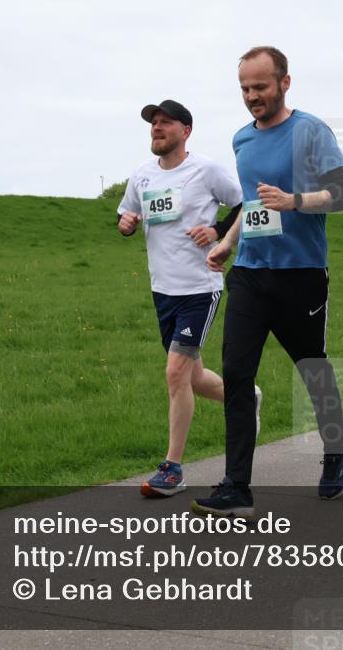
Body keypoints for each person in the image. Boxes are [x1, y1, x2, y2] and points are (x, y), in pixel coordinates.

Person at [190, 46, 343, 518]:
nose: (251, 96)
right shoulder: (242, 139)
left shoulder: (310, 130)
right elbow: (250, 202)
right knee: (238, 373)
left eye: (260, 87)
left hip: (301, 273)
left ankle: (335, 449)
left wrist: (297, 200)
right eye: (245, 88)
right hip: (250, 273)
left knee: (312, 368)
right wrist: (227, 240)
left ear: (285, 83)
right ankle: (236, 484)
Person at [116, 99, 260, 498]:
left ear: (186, 130)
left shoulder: (206, 170)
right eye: (153, 124)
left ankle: (173, 469)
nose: (156, 129)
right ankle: (246, 397)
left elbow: (246, 204)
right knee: (193, 378)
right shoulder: (142, 176)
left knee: (176, 373)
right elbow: (126, 216)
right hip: (163, 291)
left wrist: (217, 232)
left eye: (165, 123)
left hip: (200, 289)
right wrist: (126, 223)